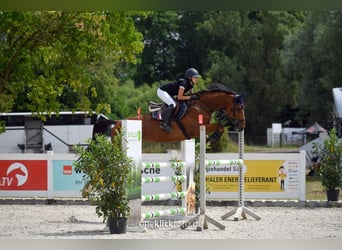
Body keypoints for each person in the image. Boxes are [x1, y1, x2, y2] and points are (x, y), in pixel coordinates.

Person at [157, 67, 201, 133]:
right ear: (189, 77)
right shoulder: (184, 83)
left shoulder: (190, 84)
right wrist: (190, 98)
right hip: (162, 91)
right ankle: (164, 123)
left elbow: (192, 95)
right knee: (173, 104)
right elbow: (180, 97)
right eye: (195, 77)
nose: (197, 79)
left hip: (169, 93)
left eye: (197, 78)